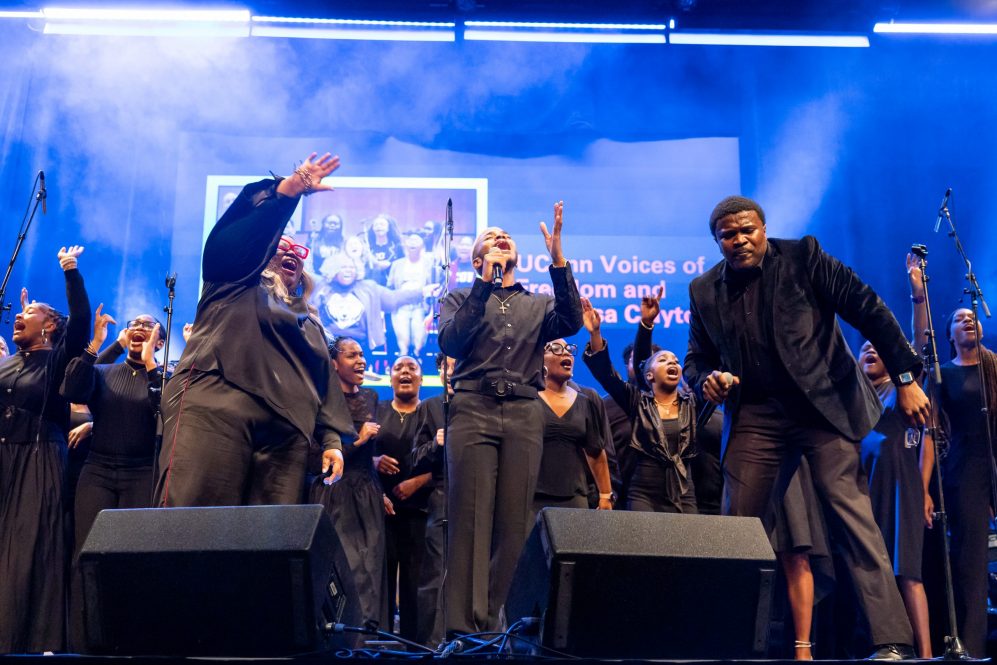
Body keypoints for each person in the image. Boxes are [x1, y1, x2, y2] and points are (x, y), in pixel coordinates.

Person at [684, 195, 930, 660]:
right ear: (717, 242)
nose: (740, 241)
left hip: (822, 407)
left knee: (851, 518)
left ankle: (891, 642)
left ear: (762, 228)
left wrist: (905, 379)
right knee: (736, 529)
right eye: (729, 236)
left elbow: (868, 308)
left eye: (747, 230)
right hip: (756, 414)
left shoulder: (803, 257)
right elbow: (697, 358)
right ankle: (727, 641)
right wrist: (706, 381)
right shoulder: (703, 291)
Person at [155, 153, 351, 507]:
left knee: (265, 546)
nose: (292, 252)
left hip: (286, 432)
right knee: (190, 528)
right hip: (217, 402)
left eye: (298, 252)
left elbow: (324, 382)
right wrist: (289, 191)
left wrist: (332, 440)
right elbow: (232, 242)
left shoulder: (310, 321)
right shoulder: (236, 280)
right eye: (282, 245)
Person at [438, 202, 583, 635]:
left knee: (516, 523)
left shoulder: (537, 305)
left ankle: (503, 630)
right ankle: (464, 633)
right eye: (490, 237)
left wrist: (559, 261)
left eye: (506, 235)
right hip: (472, 408)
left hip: (523, 410)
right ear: (478, 259)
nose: (500, 235)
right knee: (469, 520)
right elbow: (452, 341)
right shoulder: (460, 297)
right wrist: (483, 286)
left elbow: (572, 322)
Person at [0, 245, 91, 654]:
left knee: (24, 556)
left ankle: (24, 641)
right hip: (5, 461)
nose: (19, 315)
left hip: (37, 463)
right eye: (22, 311)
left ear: (51, 327)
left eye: (31, 312)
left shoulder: (56, 361)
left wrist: (70, 271)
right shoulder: (9, 363)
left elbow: (81, 323)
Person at [60, 308, 164, 650]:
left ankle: (132, 642)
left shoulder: (165, 377)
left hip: (141, 475)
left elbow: (163, 412)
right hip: (98, 473)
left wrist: (150, 363)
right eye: (135, 324)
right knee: (87, 556)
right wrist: (102, 344)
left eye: (149, 326)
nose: (139, 328)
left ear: (160, 342)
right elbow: (73, 387)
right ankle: (84, 642)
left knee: (133, 558)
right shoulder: (105, 371)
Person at [910, 262, 994, 658]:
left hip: (994, 458)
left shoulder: (995, 367)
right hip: (965, 468)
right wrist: (925, 489)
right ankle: (974, 648)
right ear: (949, 334)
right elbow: (929, 435)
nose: (967, 321)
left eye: (972, 317)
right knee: (970, 563)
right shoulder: (942, 375)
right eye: (959, 319)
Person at [583, 296, 698, 513]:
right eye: (663, 360)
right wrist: (596, 333)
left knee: (691, 545)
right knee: (644, 544)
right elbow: (606, 375)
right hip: (643, 493)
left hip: (683, 490)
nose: (672, 362)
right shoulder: (638, 402)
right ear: (649, 375)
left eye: (675, 360)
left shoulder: (691, 404)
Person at [857, 338, 932, 658]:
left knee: (907, 572)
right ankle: (885, 646)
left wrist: (917, 298)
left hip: (901, 485)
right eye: (864, 349)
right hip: (862, 489)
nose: (871, 350)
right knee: (873, 572)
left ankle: (926, 655)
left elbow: (926, 440)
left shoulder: (903, 389)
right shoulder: (855, 397)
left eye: (878, 347)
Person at [311, 336, 388, 628]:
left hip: (367, 491)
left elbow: (369, 459)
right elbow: (315, 457)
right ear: (334, 363)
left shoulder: (370, 397)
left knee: (371, 566)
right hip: (335, 491)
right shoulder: (321, 402)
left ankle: (367, 638)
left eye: (362, 354)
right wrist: (358, 440)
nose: (361, 361)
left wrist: (381, 493)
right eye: (352, 355)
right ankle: (341, 635)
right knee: (344, 564)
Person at [373, 355, 431, 641]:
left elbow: (448, 460)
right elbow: (357, 455)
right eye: (398, 368)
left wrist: (418, 482)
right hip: (380, 511)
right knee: (380, 580)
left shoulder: (431, 412)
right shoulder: (377, 410)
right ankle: (381, 643)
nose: (405, 372)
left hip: (420, 512)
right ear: (390, 377)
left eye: (412, 368)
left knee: (415, 583)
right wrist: (374, 462)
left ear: (422, 377)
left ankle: (414, 646)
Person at [535, 338, 613, 514]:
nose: (566, 352)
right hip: (533, 496)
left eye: (569, 349)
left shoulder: (585, 402)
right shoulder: (529, 399)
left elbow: (596, 452)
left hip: (575, 498)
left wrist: (605, 495)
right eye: (555, 348)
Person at [410, 353, 453, 646]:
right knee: (436, 576)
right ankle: (432, 645)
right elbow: (415, 458)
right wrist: (435, 446)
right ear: (438, 371)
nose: (452, 370)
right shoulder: (430, 407)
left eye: (457, 364)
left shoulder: (482, 406)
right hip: (442, 496)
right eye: (446, 366)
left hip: (480, 496)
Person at [316, 252, 428, 353]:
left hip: (359, 345)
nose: (348, 270)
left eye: (352, 267)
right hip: (327, 345)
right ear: (333, 269)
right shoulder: (320, 287)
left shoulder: (369, 288)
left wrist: (421, 292)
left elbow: (394, 299)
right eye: (344, 267)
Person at [387, 234, 436, 356]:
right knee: (403, 341)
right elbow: (390, 286)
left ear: (422, 246)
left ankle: (418, 362)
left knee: (418, 340)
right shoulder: (397, 264)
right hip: (401, 306)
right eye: (410, 240)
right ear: (405, 246)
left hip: (420, 306)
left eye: (416, 240)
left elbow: (434, 285)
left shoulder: (429, 264)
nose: (413, 243)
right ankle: (402, 361)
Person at [366, 214, 404, 285]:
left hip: (391, 285)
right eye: (376, 225)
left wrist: (391, 265)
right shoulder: (367, 248)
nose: (379, 227)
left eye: (382, 224)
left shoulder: (397, 247)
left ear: (388, 228)